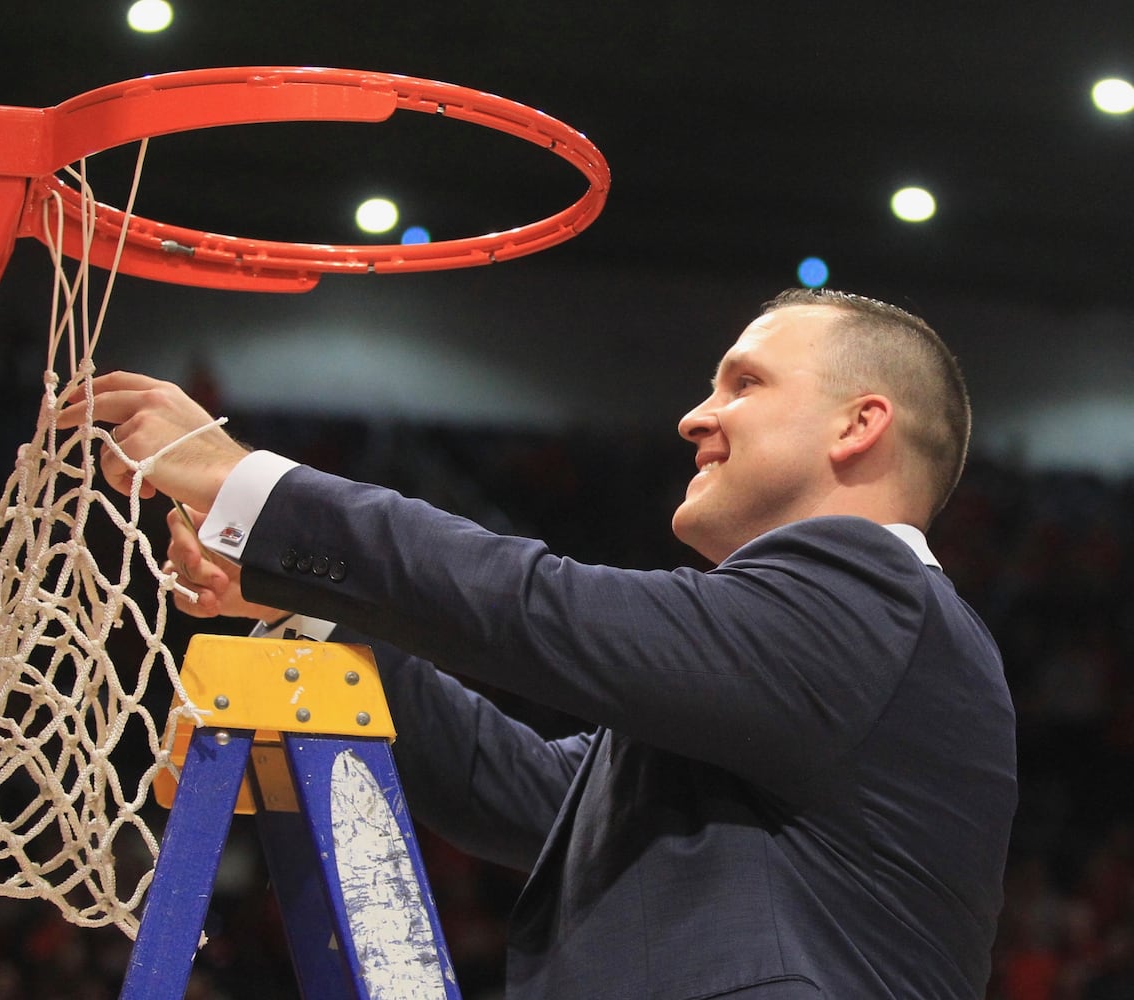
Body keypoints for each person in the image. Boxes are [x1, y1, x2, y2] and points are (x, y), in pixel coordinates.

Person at [58, 288, 1018, 999]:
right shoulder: (800, 667)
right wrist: (302, 610)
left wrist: (258, 490)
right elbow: (518, 786)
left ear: (860, 424)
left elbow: (537, 604)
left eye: (745, 383)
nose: (695, 416)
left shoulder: (869, 587)